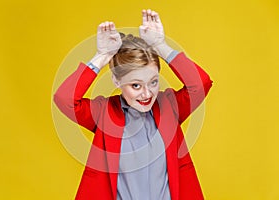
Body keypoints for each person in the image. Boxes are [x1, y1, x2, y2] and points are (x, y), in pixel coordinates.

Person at [54, 9, 212, 200]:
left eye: (153, 82)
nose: (147, 94)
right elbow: (64, 99)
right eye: (136, 85)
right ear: (116, 81)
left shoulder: (170, 107)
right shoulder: (104, 113)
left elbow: (200, 83)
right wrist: (102, 56)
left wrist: (160, 46)